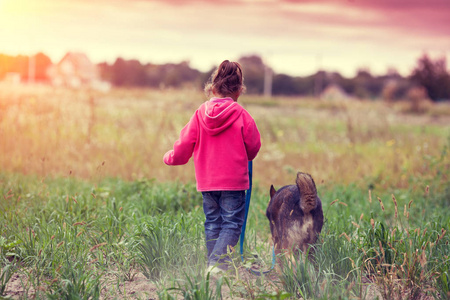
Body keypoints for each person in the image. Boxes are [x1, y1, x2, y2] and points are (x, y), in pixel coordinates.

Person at [163, 60, 261, 273]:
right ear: (238, 89)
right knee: (232, 224)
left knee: (213, 224)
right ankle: (216, 266)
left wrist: (169, 157)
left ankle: (213, 267)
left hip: (207, 182)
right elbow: (253, 148)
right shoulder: (242, 114)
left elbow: (183, 148)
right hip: (233, 184)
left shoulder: (200, 114)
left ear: (213, 87)